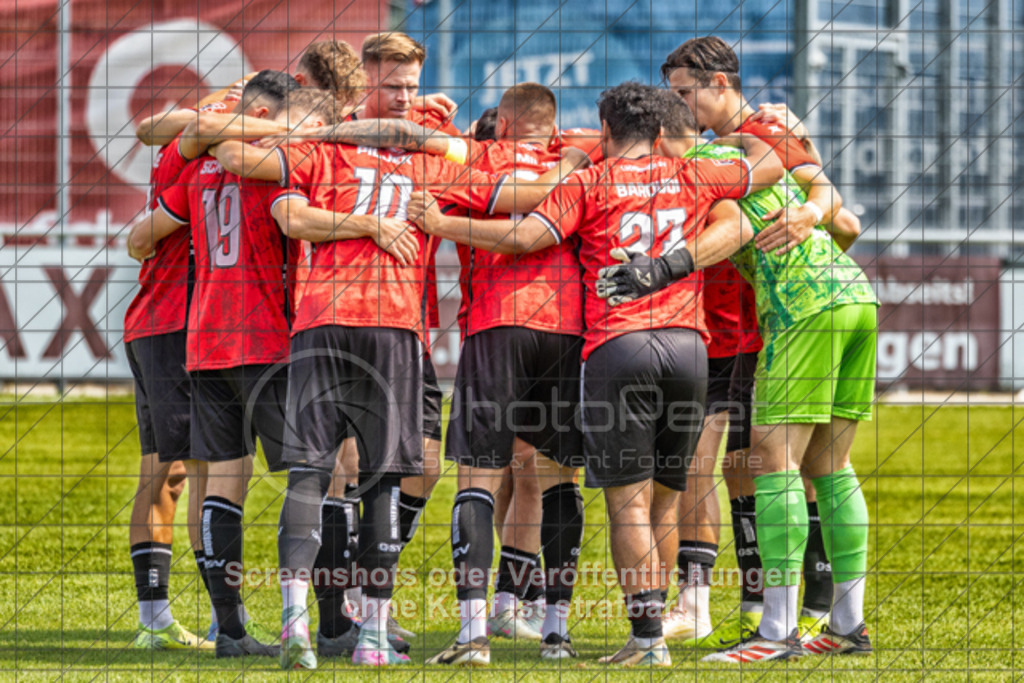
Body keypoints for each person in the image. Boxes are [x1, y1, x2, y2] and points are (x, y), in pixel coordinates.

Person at [406, 81, 784, 667]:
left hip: (618, 346)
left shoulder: (590, 180)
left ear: (605, 133)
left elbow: (528, 235)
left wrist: (441, 225)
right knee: (664, 500)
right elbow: (769, 167)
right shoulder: (692, 174)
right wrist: (747, 126)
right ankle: (644, 618)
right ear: (662, 134)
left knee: (624, 504)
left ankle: (646, 638)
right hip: (690, 349)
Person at [596, 95, 878, 666]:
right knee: (831, 469)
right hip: (855, 297)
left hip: (802, 311)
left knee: (771, 469)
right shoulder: (750, 151)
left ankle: (776, 630)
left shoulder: (708, 175)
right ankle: (847, 622)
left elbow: (727, 235)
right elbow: (842, 218)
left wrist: (661, 269)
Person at [660, 35, 850, 643]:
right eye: (673, 95)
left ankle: (782, 613)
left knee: (772, 465)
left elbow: (842, 215)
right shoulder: (727, 148)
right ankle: (788, 611)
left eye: (685, 92)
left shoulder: (762, 135)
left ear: (720, 83)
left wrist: (800, 244)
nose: (680, 104)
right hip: (729, 325)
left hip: (761, 328)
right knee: (752, 465)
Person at [126, 70, 311, 659]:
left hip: (204, 325)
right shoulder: (203, 150)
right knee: (169, 472)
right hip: (169, 321)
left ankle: (220, 618)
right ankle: (156, 614)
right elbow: (167, 132)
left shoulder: (221, 162)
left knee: (209, 475)